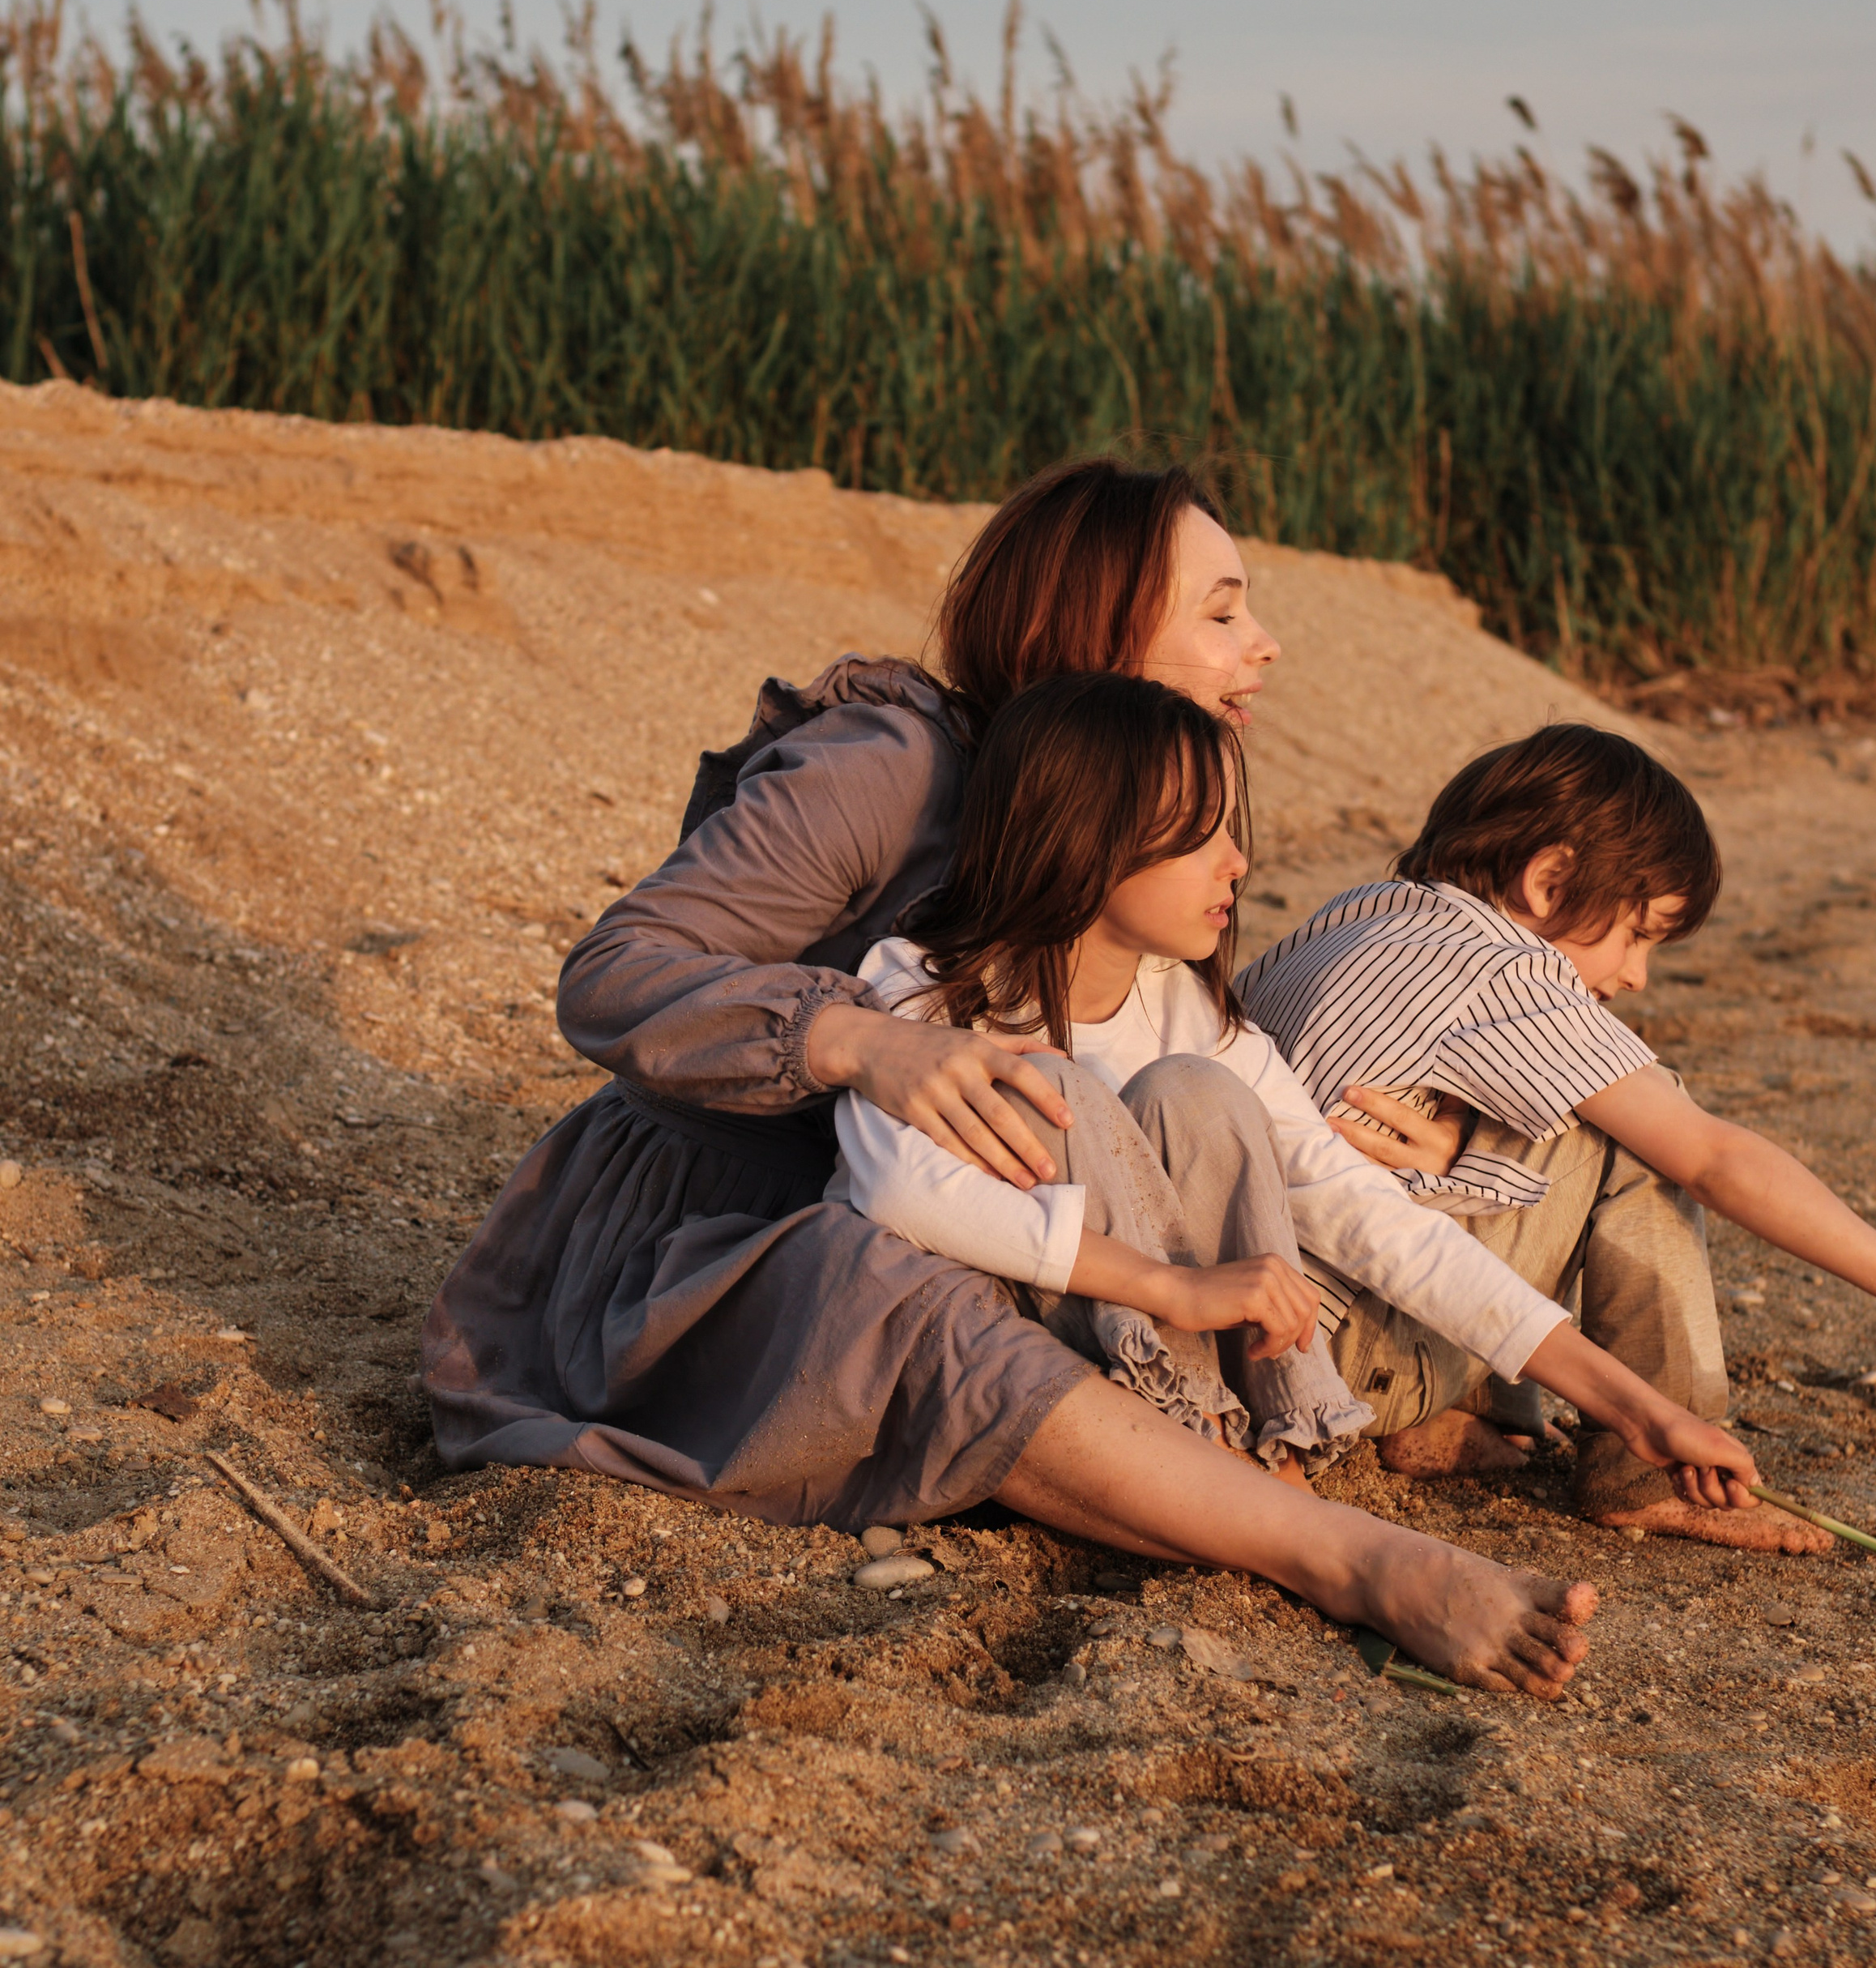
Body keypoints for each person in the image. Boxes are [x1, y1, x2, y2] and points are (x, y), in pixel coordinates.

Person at [421, 459, 1595, 1695]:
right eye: (1221, 610)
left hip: (940, 1200)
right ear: (1079, 628)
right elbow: (611, 973)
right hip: (725, 1235)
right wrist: (861, 1040)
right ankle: (1357, 1563)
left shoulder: (1117, 802)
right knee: (905, 1283)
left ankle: (1222, 1462)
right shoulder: (892, 766)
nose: (1266, 645)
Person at [836, 671, 1762, 1517]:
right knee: (1049, 1084)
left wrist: (1638, 1411)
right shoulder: (920, 989)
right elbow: (898, 1189)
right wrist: (1168, 1285)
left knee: (1195, 1094)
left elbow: (1359, 1209)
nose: (1236, 862)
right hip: (1027, 1368)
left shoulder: (1186, 1006)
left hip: (1192, 1356)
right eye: (1202, 836)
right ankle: (1198, 1440)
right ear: (1087, 838)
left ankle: (1245, 1429)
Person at [1239, 722, 1876, 1552]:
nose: (1634, 975)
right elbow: (1713, 1160)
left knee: (1539, 1113)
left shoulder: (1356, 912)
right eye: (1637, 934)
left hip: (1251, 1335)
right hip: (1337, 1364)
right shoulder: (1505, 968)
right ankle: (1640, 1470)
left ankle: (1473, 1414)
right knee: (1640, 1121)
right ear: (1549, 879)